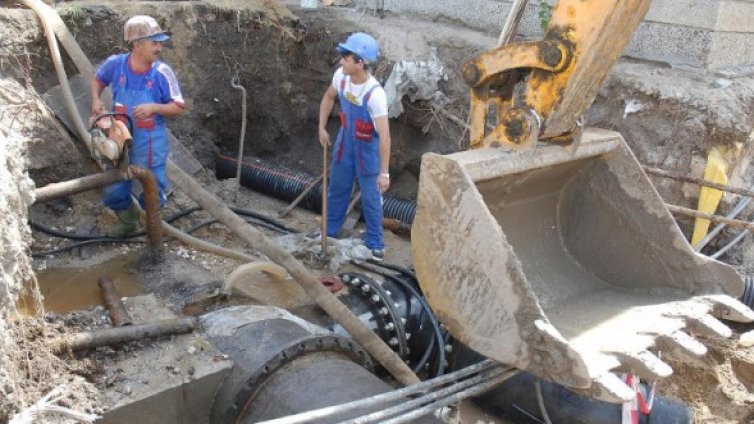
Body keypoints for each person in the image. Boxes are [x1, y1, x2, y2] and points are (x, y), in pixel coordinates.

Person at [90, 15, 185, 237]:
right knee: (113, 188)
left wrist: (155, 107)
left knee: (152, 188)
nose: (159, 48)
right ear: (137, 44)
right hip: (120, 138)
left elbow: (180, 106)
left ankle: (151, 229)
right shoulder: (116, 65)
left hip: (150, 141)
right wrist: (96, 100)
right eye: (155, 43)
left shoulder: (162, 73)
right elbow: (98, 80)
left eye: (160, 42)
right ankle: (128, 220)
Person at [318, 32, 391, 261]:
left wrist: (384, 173)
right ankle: (329, 232)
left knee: (371, 197)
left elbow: (385, 136)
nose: (341, 61)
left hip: (367, 148)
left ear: (360, 62)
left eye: (346, 58)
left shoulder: (375, 95)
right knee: (337, 188)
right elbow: (329, 98)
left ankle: (375, 244)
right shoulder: (341, 77)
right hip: (345, 140)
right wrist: (321, 127)